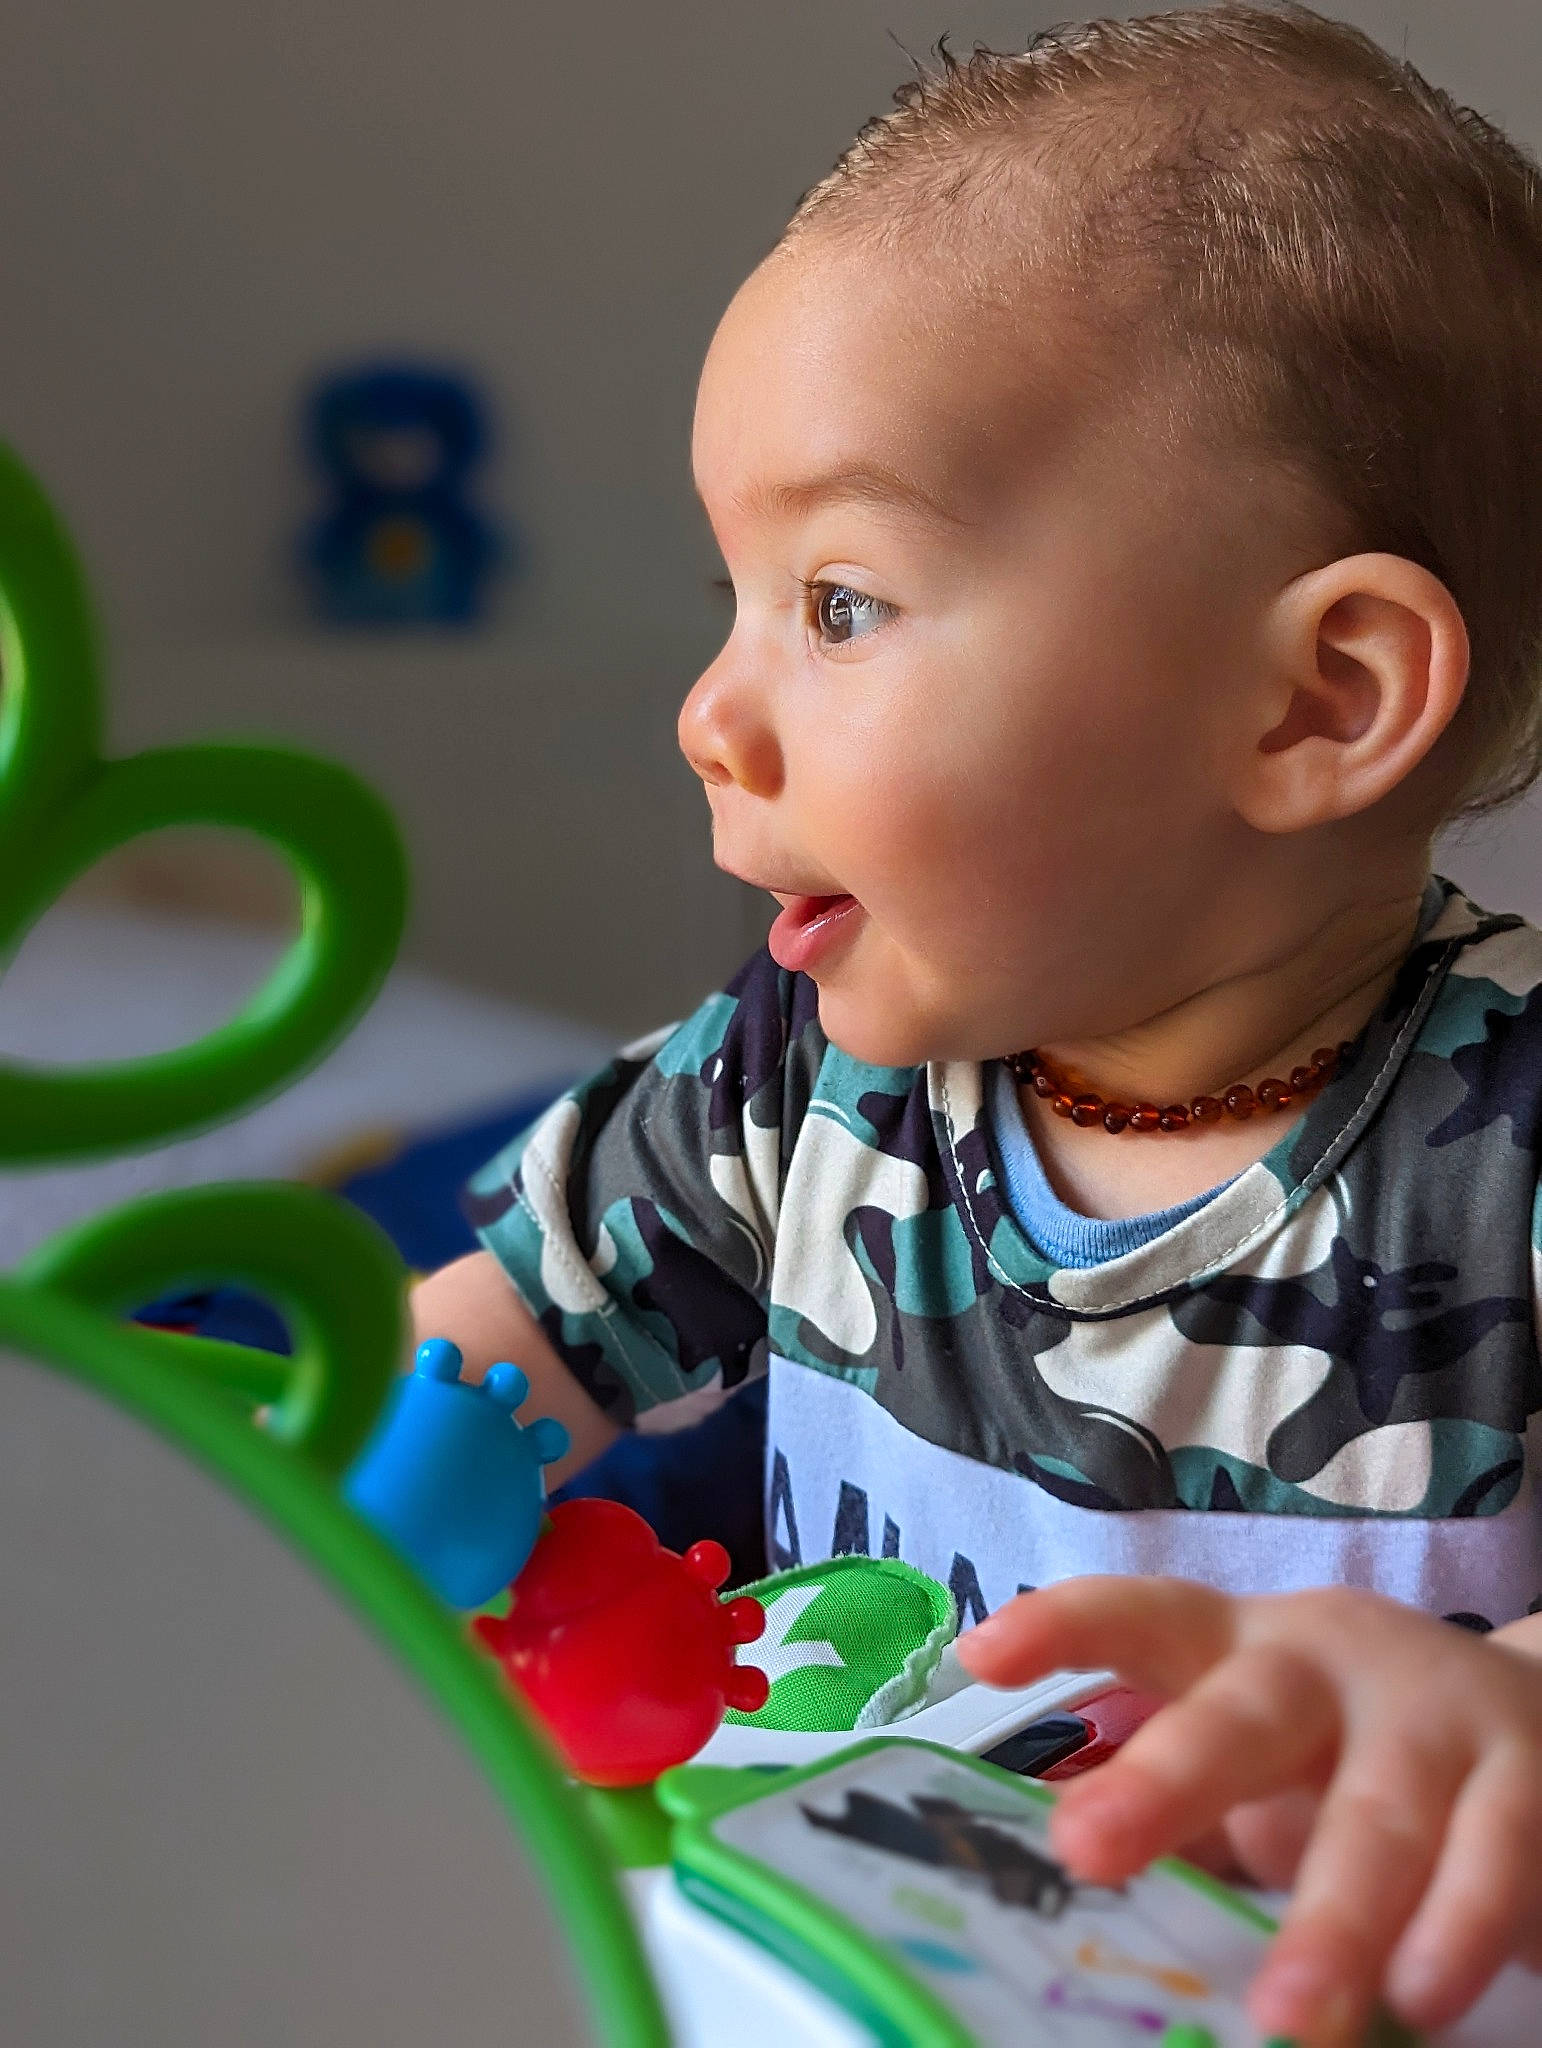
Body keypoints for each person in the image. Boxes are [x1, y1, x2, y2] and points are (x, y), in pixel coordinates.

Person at [413, 7, 1542, 2038]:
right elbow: (456, 1390)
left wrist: (1493, 1709)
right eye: (731, 596)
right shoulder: (792, 1076)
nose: (712, 709)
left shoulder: (1512, 1142)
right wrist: (291, 1509)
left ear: (1315, 700)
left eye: (839, 602)